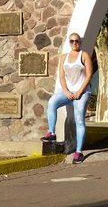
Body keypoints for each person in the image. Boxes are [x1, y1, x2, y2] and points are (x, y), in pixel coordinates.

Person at [41, 32, 94, 164]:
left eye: (77, 41)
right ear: (69, 43)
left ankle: (78, 152)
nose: (74, 43)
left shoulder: (84, 55)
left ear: (80, 43)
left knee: (79, 120)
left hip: (82, 92)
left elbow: (89, 75)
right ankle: (51, 133)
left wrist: (79, 92)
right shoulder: (64, 57)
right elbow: (62, 76)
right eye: (72, 41)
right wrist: (65, 91)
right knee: (52, 101)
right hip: (67, 91)